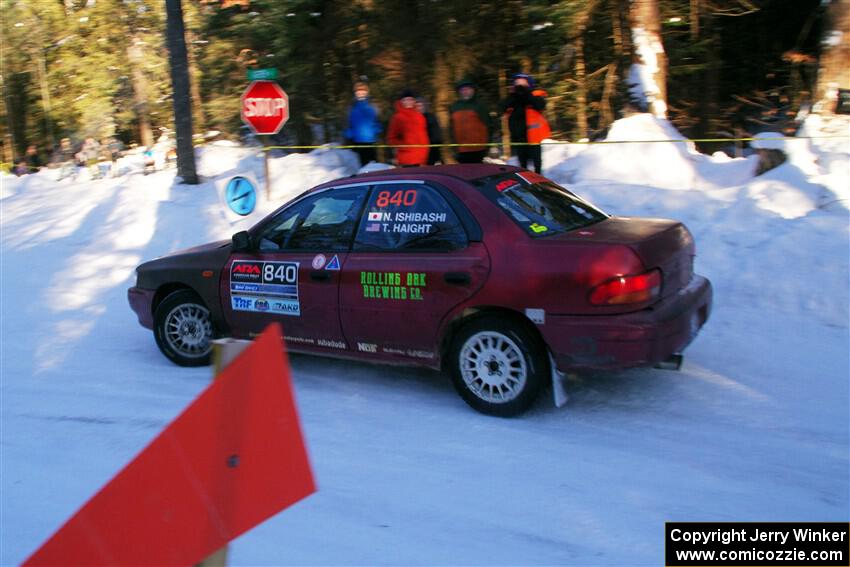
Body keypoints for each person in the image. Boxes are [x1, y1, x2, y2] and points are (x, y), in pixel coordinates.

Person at [499, 73, 549, 172]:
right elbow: (502, 108)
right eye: (517, 83)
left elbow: (540, 106)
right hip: (519, 137)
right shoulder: (512, 98)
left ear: (529, 84)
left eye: (523, 83)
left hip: (533, 136)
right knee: (522, 164)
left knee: (537, 164)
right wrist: (513, 95)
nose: (520, 86)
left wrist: (526, 93)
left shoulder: (535, 95)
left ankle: (538, 179)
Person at [449, 78, 490, 164]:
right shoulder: (454, 106)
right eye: (462, 90)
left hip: (478, 149)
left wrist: (487, 146)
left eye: (468, 89)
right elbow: (451, 129)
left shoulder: (480, 105)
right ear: (459, 92)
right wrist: (453, 148)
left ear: (473, 90)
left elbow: (489, 126)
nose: (465, 91)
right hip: (461, 150)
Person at [343, 80, 382, 167]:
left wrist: (377, 129)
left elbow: (378, 120)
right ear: (355, 93)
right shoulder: (351, 107)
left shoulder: (372, 105)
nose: (360, 93)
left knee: (374, 164)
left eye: (363, 91)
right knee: (363, 165)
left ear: (367, 92)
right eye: (358, 91)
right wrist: (349, 133)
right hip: (358, 141)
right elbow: (347, 123)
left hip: (372, 140)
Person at [387, 88, 429, 167]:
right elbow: (391, 139)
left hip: (421, 159)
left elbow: (424, 136)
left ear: (414, 101)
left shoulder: (420, 116)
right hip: (406, 160)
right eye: (405, 100)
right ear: (401, 102)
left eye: (410, 100)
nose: (408, 102)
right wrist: (404, 146)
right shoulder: (397, 117)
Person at [415, 97, 443, 165]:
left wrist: (435, 146)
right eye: (417, 106)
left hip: (431, 150)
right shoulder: (413, 119)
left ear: (425, 106)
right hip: (417, 151)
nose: (419, 108)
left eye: (421, 105)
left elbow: (437, 135)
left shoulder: (431, 117)